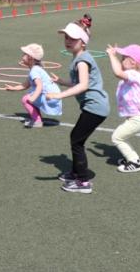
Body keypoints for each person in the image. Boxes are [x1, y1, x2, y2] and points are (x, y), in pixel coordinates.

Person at [46, 15, 109, 194]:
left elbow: (83, 85)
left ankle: (83, 182)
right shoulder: (79, 58)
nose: (68, 41)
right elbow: (78, 83)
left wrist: (59, 95)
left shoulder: (82, 60)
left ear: (83, 42)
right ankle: (75, 173)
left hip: (95, 108)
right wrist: (62, 81)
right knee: (76, 138)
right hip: (94, 107)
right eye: (66, 37)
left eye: (72, 38)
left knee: (77, 140)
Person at [106, 43, 140, 173]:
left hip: (138, 119)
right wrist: (115, 55)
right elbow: (120, 70)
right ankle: (133, 158)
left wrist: (111, 55)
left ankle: (134, 162)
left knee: (116, 137)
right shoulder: (131, 74)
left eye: (124, 57)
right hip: (136, 118)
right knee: (121, 137)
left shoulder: (135, 75)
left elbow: (117, 72)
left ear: (132, 63)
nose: (121, 59)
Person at [5, 43, 62, 128]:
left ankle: (37, 121)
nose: (22, 56)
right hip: (53, 96)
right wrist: (13, 88)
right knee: (30, 95)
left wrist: (33, 97)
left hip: (50, 97)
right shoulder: (35, 69)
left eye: (24, 54)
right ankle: (37, 118)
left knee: (26, 99)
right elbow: (25, 85)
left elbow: (40, 86)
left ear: (30, 57)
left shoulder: (34, 71)